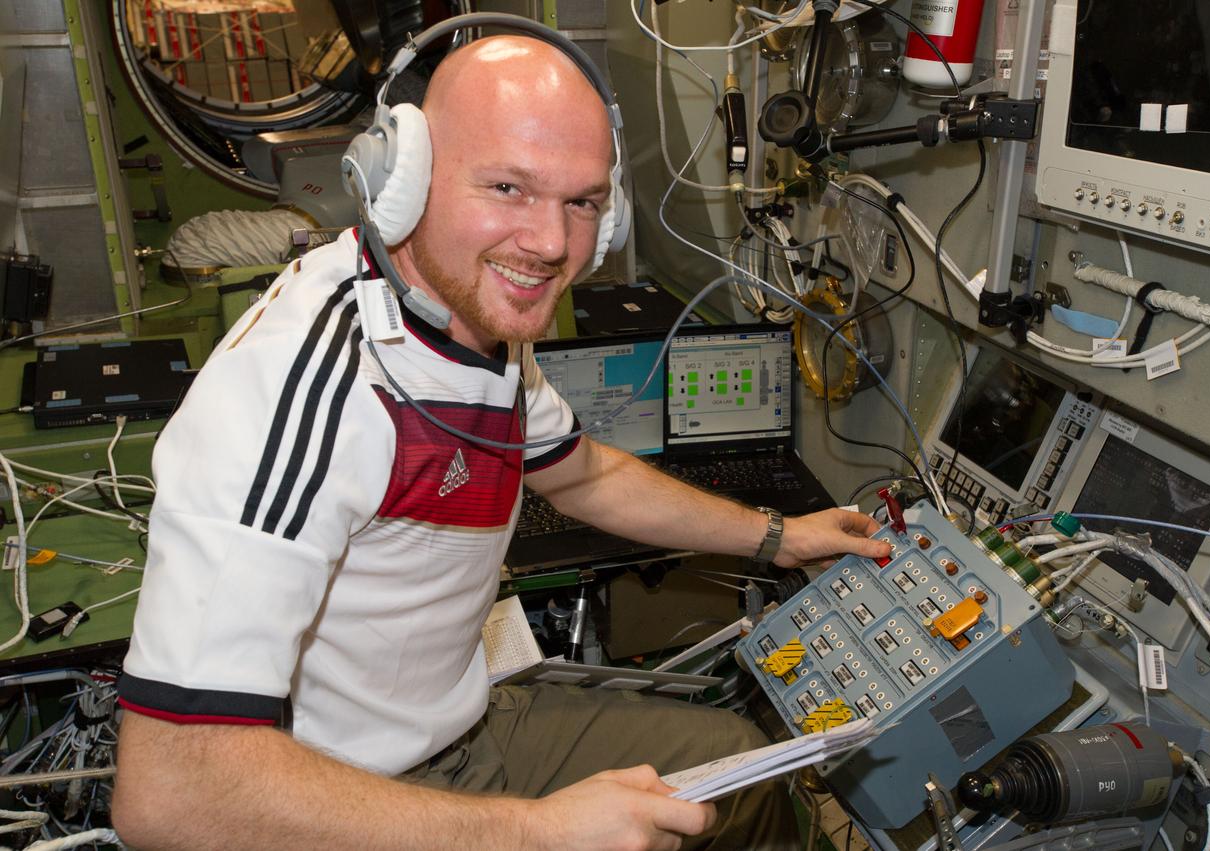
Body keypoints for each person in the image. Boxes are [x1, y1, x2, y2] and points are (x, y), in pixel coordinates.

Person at [111, 34, 890, 850]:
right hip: (336, 796)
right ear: (402, 180)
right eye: (508, 187)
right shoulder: (304, 390)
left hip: (463, 726)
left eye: (582, 202)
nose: (550, 244)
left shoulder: (478, 321)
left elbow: (583, 473)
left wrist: (781, 536)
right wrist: (536, 831)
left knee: (740, 773)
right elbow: (172, 789)